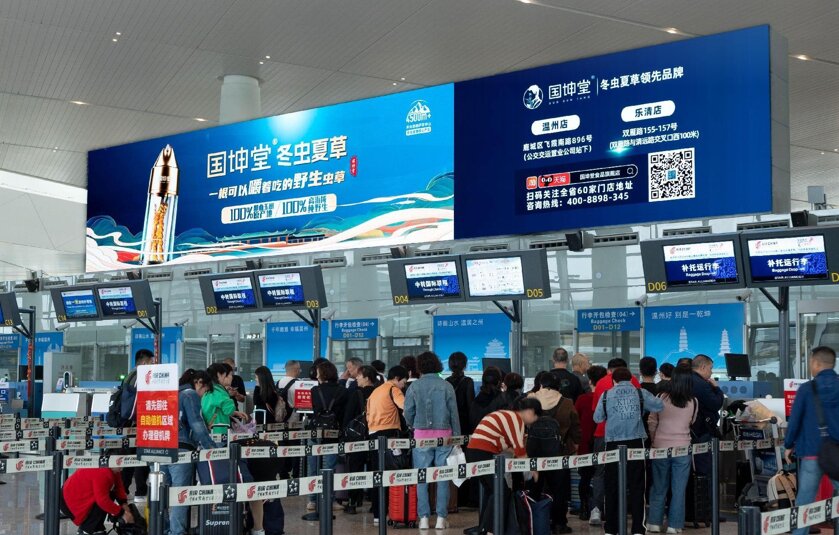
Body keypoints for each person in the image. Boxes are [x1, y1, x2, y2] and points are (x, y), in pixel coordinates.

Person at [594, 367, 664, 535]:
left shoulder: (606, 395)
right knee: (637, 487)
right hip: (635, 443)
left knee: (611, 486)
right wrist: (642, 408)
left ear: (614, 380)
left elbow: (597, 418)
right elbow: (659, 406)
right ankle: (638, 529)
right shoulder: (640, 393)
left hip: (613, 444)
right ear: (631, 379)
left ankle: (611, 529)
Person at [466, 397, 542, 535]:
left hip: (475, 451)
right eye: (536, 416)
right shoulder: (517, 420)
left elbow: (508, 447)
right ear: (530, 412)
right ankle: (489, 530)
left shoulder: (507, 415)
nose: (534, 421)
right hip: (482, 453)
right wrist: (533, 470)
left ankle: (484, 528)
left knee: (492, 491)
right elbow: (520, 450)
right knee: (502, 491)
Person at [785, 346, 839, 535]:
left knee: (804, 504)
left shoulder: (807, 389)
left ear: (815, 363)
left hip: (811, 453)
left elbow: (795, 420)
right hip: (837, 454)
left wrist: (788, 444)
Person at [404, 351, 460, 530]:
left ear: (420, 366)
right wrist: (457, 436)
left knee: (422, 477)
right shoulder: (446, 386)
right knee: (443, 477)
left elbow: (408, 412)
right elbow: (454, 414)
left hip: (421, 436)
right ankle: (441, 518)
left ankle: (424, 518)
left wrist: (413, 425)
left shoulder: (414, 386)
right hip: (444, 436)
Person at [163, 369, 218, 535]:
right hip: (180, 450)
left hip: (159, 448)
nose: (202, 395)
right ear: (199, 382)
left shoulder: (169, 393)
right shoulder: (190, 394)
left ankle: (162, 529)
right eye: (205, 391)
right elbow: (197, 425)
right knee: (181, 495)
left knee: (160, 495)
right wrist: (212, 448)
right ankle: (177, 532)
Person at [589, 358, 640, 525]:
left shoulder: (601, 383)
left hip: (603, 434)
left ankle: (597, 510)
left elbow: (596, 412)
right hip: (630, 436)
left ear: (609, 370)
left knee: (601, 473)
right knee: (630, 475)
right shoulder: (633, 381)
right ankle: (625, 510)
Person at [528, 372, 581, 533]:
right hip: (559, 453)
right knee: (559, 490)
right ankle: (559, 523)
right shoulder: (567, 403)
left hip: (534, 454)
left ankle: (535, 522)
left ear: (541, 385)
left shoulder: (530, 400)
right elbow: (575, 427)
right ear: (558, 387)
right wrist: (575, 444)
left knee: (535, 489)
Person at [647, 366, 697, 534]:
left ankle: (654, 523)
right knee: (679, 490)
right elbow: (691, 422)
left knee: (658, 487)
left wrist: (654, 439)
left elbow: (652, 421)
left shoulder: (661, 397)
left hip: (660, 447)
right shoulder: (693, 401)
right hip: (682, 448)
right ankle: (674, 525)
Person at [367, 365, 409, 525]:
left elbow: (368, 414)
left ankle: (378, 515)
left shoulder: (376, 391)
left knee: (377, 475)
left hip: (373, 435)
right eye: (403, 382)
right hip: (389, 435)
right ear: (397, 379)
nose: (403, 386)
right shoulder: (394, 389)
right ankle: (393, 511)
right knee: (391, 473)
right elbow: (406, 408)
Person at [307, 360, 348, 512]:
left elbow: (315, 409)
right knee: (330, 467)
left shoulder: (314, 390)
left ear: (322, 374)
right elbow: (343, 414)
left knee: (313, 467)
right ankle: (330, 500)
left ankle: (312, 500)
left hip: (315, 431)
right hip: (333, 433)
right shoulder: (343, 391)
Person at [342, 365, 379, 514]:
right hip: (375, 436)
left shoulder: (356, 393)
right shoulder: (379, 393)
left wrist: (345, 435)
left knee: (355, 470)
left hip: (357, 438)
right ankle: (374, 503)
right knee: (374, 469)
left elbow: (348, 417)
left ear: (367, 378)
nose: (356, 378)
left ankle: (353, 502)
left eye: (359, 375)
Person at [121, 348, 154, 504]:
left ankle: (123, 491)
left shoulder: (129, 376)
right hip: (140, 422)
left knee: (129, 459)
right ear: (144, 362)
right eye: (151, 362)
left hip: (128, 423)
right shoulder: (142, 376)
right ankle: (140, 491)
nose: (153, 365)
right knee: (142, 457)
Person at [575, 365, 608, 521]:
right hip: (603, 440)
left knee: (585, 477)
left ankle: (584, 508)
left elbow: (576, 421)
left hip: (585, 443)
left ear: (590, 381)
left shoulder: (582, 399)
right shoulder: (607, 398)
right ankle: (601, 508)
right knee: (603, 476)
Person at [61, 466, 135, 535]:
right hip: (69, 503)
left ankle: (97, 527)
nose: (122, 468)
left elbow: (119, 487)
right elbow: (102, 501)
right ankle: (86, 529)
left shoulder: (112, 467)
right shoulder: (102, 472)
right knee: (105, 498)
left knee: (110, 493)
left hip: (75, 496)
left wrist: (124, 504)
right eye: (120, 466)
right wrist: (122, 513)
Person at [690, 355, 724, 475]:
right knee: (705, 466)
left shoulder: (687, 379)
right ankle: (706, 487)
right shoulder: (702, 384)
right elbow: (716, 404)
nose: (711, 372)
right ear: (703, 367)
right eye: (710, 368)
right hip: (702, 429)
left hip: (690, 429)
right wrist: (717, 389)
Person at [202, 363, 249, 435]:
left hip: (211, 430)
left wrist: (236, 413)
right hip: (219, 432)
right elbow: (229, 410)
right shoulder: (218, 392)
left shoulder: (209, 391)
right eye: (229, 375)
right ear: (219, 375)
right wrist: (228, 395)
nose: (231, 377)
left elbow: (217, 410)